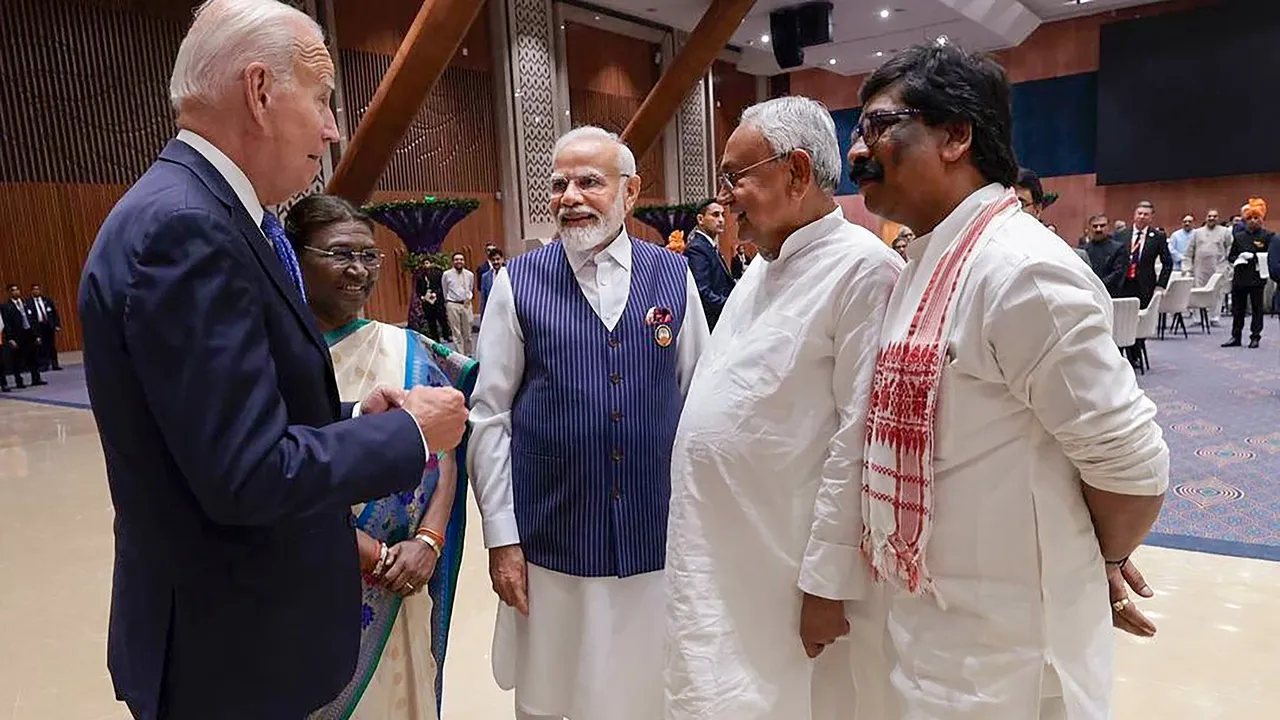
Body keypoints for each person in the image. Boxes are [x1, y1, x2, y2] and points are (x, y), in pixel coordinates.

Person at [76, 2, 470, 717]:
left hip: (238, 639)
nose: (332, 127)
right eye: (322, 99)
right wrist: (408, 435)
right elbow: (245, 474)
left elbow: (219, 428)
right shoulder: (187, 230)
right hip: (230, 656)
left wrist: (355, 417)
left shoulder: (208, 214)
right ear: (260, 92)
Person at [848, 43, 1168, 719]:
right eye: (857, 130)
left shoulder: (1018, 270)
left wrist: (1089, 563)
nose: (858, 152)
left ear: (957, 135)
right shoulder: (926, 259)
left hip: (1006, 656)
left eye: (878, 127)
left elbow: (1134, 471)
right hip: (931, 625)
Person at [665, 96, 900, 720]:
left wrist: (827, 583)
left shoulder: (862, 270)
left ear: (796, 173)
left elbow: (858, 441)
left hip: (787, 567)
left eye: (736, 176)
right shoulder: (764, 265)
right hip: (724, 549)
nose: (726, 197)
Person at [468, 125, 710, 720]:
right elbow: (490, 414)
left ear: (630, 193)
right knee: (556, 692)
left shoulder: (673, 276)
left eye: (590, 182)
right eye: (559, 184)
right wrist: (502, 539)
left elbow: (701, 398)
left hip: (653, 531)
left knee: (646, 691)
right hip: (555, 533)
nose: (570, 196)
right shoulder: (517, 283)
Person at [285, 194, 477, 719]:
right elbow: (271, 474)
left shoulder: (409, 349)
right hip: (315, 583)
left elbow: (448, 450)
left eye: (369, 256)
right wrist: (375, 556)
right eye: (340, 254)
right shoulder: (271, 359)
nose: (358, 270)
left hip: (405, 584)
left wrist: (428, 542)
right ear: (295, 258)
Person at [1223, 198, 1279, 349]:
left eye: (1256, 218)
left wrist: (1254, 257)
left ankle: (1255, 336)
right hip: (1240, 277)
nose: (1253, 221)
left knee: (1256, 309)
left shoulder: (1268, 236)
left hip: (1257, 278)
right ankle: (1236, 336)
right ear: (1245, 220)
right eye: (1250, 218)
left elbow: (1271, 256)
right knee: (1238, 309)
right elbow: (1231, 256)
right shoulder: (1239, 236)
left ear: (1261, 219)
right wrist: (1238, 258)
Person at [684, 199, 736, 329]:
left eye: (723, 215)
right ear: (701, 219)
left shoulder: (709, 246)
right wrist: (732, 304)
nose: (721, 220)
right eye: (715, 214)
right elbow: (702, 292)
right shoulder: (697, 249)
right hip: (711, 323)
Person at [1115, 201, 1172, 308]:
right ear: (1134, 215)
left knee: (1143, 318)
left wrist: (1161, 285)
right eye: (1139, 213)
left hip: (1145, 285)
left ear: (1151, 217)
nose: (1142, 217)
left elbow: (1167, 263)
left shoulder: (1158, 237)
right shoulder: (1121, 235)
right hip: (1122, 283)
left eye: (1146, 214)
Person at [1185, 209, 1233, 324]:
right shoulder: (1197, 232)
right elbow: (1189, 251)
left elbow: (1230, 248)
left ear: (1218, 218)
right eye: (1209, 216)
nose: (1212, 218)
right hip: (1199, 268)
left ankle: (1214, 317)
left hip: (1218, 267)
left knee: (1217, 292)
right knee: (1196, 291)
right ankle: (1197, 318)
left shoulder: (1225, 232)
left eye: (1215, 216)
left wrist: (1227, 265)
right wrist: (1187, 268)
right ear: (1206, 218)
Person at [1, 284, 45, 389]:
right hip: (17, 336)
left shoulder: (26, 304)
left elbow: (33, 320)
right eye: (13, 291)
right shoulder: (7, 307)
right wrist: (10, 338)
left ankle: (36, 378)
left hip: (29, 334)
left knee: (33, 357)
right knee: (16, 359)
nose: (16, 292)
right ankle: (19, 381)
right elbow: (7, 324)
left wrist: (37, 335)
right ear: (9, 293)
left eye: (17, 290)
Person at [1083, 214, 1126, 295]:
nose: (1098, 229)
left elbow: (1118, 273)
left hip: (1110, 293)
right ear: (1089, 228)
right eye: (1095, 226)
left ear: (1108, 227)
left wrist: (1099, 285)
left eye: (1102, 226)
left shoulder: (1118, 248)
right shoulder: (1083, 250)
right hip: (1088, 292)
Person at [442, 251, 475, 354]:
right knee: (456, 333)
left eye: (461, 259)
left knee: (468, 333)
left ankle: (469, 354)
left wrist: (468, 299)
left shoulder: (470, 274)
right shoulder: (446, 274)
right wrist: (448, 302)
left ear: (464, 261)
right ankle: (460, 356)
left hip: (466, 304)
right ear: (453, 262)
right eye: (456, 259)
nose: (459, 261)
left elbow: (471, 288)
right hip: (452, 304)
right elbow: (445, 290)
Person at [29, 284, 61, 371]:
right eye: (34, 289)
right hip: (38, 326)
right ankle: (44, 365)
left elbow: (54, 313)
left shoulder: (47, 300)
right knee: (42, 346)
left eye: (38, 289)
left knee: (52, 345)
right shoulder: (29, 303)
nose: (36, 291)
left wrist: (57, 324)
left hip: (48, 325)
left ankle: (55, 364)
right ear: (32, 291)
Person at [480, 246, 506, 319]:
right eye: (493, 260)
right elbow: (483, 299)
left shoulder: (509, 274)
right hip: (492, 312)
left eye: (498, 259)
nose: (496, 262)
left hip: (506, 311)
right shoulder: (485, 277)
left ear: (502, 259)